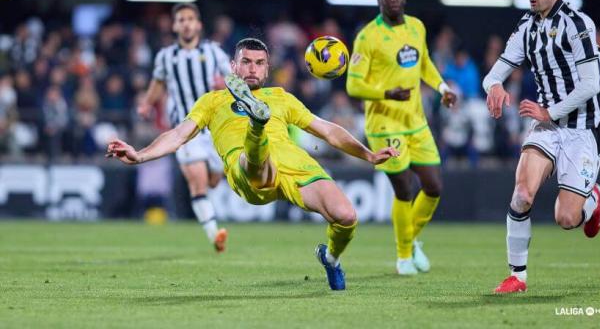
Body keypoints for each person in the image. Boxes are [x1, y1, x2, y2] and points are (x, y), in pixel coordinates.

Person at [108, 38, 398, 290]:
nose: (251, 68)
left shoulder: (281, 97)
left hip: (296, 166)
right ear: (233, 67)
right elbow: (178, 135)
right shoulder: (212, 101)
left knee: (346, 216)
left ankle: (331, 259)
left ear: (267, 69)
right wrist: (141, 155)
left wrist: (369, 155)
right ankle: (257, 125)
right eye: (245, 62)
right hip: (246, 170)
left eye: (259, 63)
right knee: (258, 160)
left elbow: (327, 130)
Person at [482, 0, 600, 293]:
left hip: (583, 126)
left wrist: (550, 111)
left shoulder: (578, 23)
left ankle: (591, 199)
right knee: (522, 193)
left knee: (566, 219)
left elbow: (589, 85)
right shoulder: (527, 28)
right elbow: (492, 75)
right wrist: (494, 87)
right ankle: (518, 276)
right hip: (547, 125)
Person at [346, 0, 457, 275]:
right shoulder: (367, 37)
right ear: (378, 0)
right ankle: (403, 256)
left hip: (415, 121)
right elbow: (353, 85)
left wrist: (442, 88)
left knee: (434, 186)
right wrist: (387, 93)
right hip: (384, 125)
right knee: (404, 189)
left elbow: (424, 64)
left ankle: (412, 238)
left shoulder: (416, 27)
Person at [137, 3, 231, 253]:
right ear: (175, 25)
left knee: (212, 180)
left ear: (198, 24)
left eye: (191, 18)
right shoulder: (166, 56)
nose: (186, 23)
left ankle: (214, 186)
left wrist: (227, 85)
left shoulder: (214, 53)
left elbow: (234, 80)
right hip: (185, 130)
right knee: (198, 183)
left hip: (215, 129)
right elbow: (158, 83)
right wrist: (147, 103)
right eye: (181, 19)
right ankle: (215, 234)